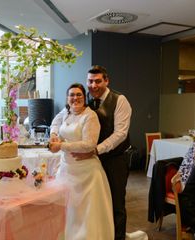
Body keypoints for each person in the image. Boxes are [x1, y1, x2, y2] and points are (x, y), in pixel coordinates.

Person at [66, 65, 132, 240]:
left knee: (117, 203)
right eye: (90, 81)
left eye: (97, 81)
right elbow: (63, 115)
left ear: (106, 81)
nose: (93, 85)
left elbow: (120, 133)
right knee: (97, 203)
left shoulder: (120, 100)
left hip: (115, 159)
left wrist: (96, 150)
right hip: (91, 161)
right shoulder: (83, 99)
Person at [49, 83, 114, 239]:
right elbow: (55, 123)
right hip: (67, 169)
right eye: (71, 95)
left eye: (79, 95)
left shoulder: (90, 116)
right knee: (69, 209)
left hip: (87, 173)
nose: (75, 98)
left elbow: (89, 144)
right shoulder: (66, 112)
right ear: (67, 98)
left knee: (86, 213)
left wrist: (61, 145)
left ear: (85, 98)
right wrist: (53, 134)